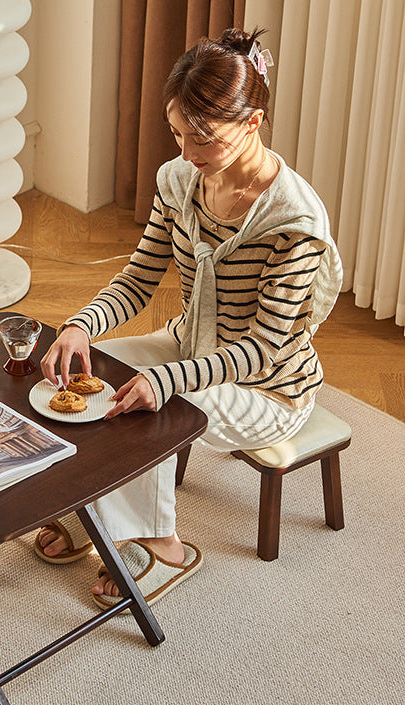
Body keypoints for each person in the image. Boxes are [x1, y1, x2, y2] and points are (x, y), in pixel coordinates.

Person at [34, 28, 342, 610]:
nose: (185, 153)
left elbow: (265, 349)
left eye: (202, 138)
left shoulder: (294, 221)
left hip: (268, 389)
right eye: (176, 134)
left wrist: (167, 379)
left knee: (146, 411)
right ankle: (92, 513)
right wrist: (80, 325)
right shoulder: (179, 181)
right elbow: (139, 276)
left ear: (252, 123)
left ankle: (164, 545)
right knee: (95, 373)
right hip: (191, 345)